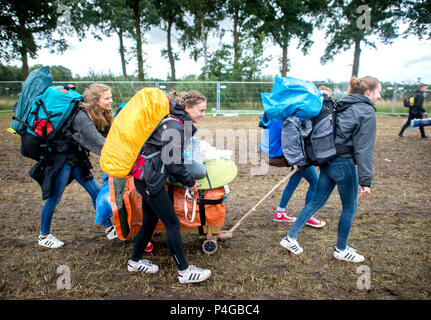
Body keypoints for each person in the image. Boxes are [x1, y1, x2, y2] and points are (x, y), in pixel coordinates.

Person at [280, 76, 381, 263]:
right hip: (343, 163)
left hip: (327, 159)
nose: (380, 96)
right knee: (350, 206)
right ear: (368, 92)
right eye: (378, 92)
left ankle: (290, 237)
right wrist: (366, 181)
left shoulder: (342, 104)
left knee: (316, 202)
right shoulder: (366, 112)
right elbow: (364, 149)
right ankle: (341, 249)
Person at [127, 90, 212, 284]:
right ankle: (184, 272)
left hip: (147, 177)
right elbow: (174, 164)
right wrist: (190, 182)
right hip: (151, 179)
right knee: (172, 223)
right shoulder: (175, 126)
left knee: (150, 220)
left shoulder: (174, 122)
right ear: (187, 108)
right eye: (200, 110)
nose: (203, 114)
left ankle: (134, 261)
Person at [37, 84, 116, 249]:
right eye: (107, 98)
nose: (111, 101)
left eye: (110, 97)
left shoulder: (102, 114)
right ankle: (44, 236)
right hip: (62, 158)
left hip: (76, 157)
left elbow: (112, 134)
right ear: (96, 100)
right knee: (54, 198)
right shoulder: (82, 117)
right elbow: (100, 142)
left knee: (96, 192)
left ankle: (109, 228)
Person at [273, 86, 334, 228]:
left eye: (327, 97)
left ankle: (280, 212)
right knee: (316, 182)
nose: (324, 99)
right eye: (322, 95)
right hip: (300, 157)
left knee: (293, 182)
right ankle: (308, 216)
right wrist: (296, 159)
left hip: (302, 156)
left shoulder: (315, 112)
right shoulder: (306, 111)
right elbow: (293, 134)